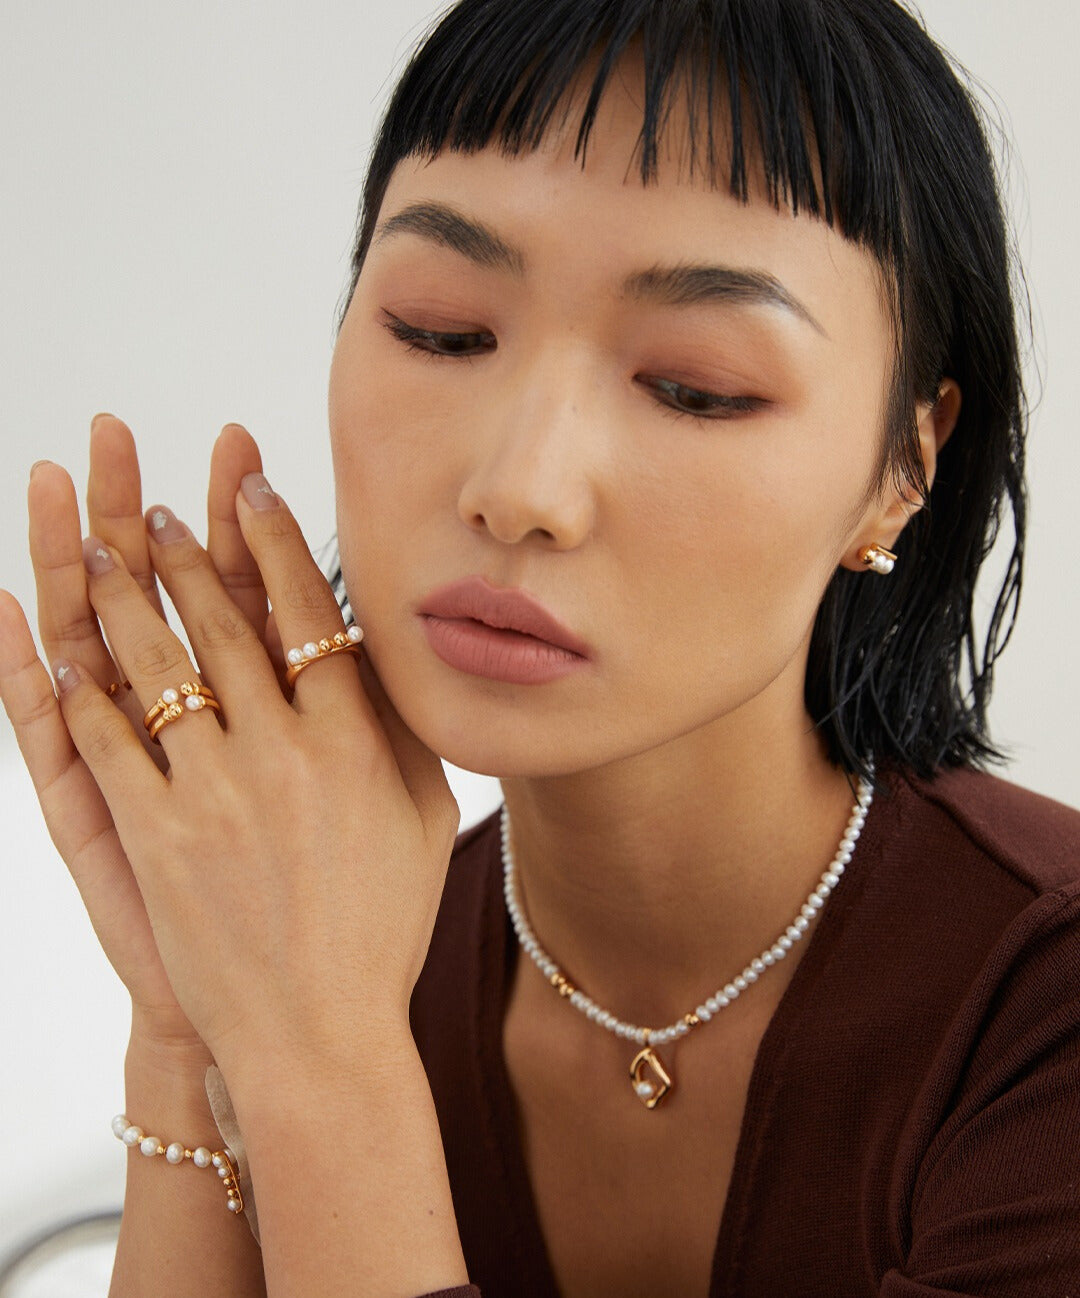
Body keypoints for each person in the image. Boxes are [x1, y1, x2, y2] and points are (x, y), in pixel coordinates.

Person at [0, 0, 1077, 1293]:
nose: (520, 488)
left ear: (904, 465)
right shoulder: (330, 956)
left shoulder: (1041, 1007)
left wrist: (325, 1072)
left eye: (694, 385)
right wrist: (194, 1026)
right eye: (442, 328)